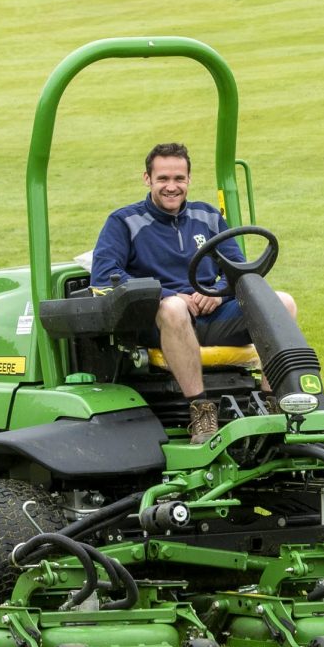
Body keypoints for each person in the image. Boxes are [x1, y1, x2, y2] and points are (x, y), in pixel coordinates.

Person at [91, 142, 294, 445]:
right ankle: (200, 410)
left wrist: (218, 293)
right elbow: (106, 278)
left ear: (189, 179)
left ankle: (270, 401)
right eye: (163, 179)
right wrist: (168, 295)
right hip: (158, 322)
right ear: (147, 179)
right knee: (173, 308)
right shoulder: (124, 222)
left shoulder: (207, 217)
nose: (171, 187)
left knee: (283, 302)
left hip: (212, 314)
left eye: (178, 179)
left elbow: (238, 270)